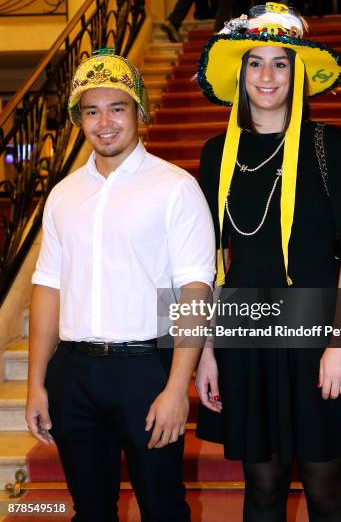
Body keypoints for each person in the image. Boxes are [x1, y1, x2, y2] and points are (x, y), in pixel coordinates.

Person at [194, 3, 341, 521]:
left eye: (280, 63)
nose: (266, 75)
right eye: (255, 62)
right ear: (239, 73)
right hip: (247, 336)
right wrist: (206, 351)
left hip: (321, 330)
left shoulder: (328, 143)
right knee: (261, 489)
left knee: (326, 487)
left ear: (296, 73)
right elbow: (208, 258)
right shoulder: (216, 152)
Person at [25, 49, 215, 521]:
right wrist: (36, 383)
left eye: (117, 108)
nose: (104, 122)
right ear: (79, 118)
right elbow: (47, 287)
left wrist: (177, 388)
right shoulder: (64, 194)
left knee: (163, 509)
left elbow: (194, 291)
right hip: (73, 374)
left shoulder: (175, 188)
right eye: (92, 110)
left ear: (139, 112)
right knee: (89, 511)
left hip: (145, 370)